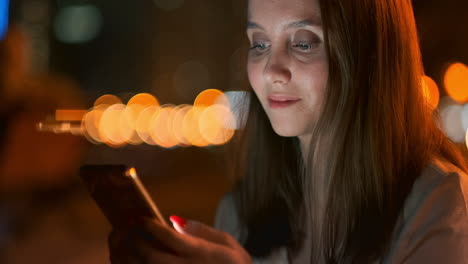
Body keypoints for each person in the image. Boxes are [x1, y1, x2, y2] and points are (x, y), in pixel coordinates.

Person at [108, 0, 468, 263]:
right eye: (259, 44)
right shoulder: (242, 212)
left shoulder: (441, 206)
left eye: (303, 42)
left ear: (371, 53)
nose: (271, 70)